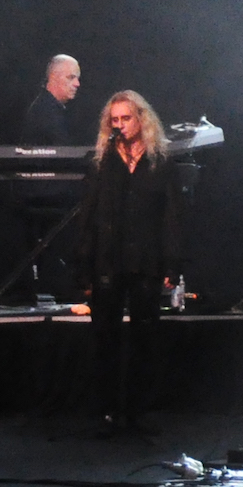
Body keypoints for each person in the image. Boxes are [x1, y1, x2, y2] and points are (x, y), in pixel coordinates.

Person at [76, 90, 175, 433]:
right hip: (108, 259)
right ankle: (107, 408)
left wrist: (171, 265)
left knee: (145, 336)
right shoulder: (102, 162)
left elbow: (170, 217)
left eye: (126, 118)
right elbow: (88, 217)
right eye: (114, 120)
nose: (119, 125)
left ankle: (139, 409)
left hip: (146, 258)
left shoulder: (160, 161)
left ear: (141, 118)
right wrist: (85, 267)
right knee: (106, 336)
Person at [20, 55, 83, 148]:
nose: (77, 84)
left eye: (77, 78)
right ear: (53, 77)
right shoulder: (44, 112)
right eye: (71, 77)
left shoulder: (49, 107)